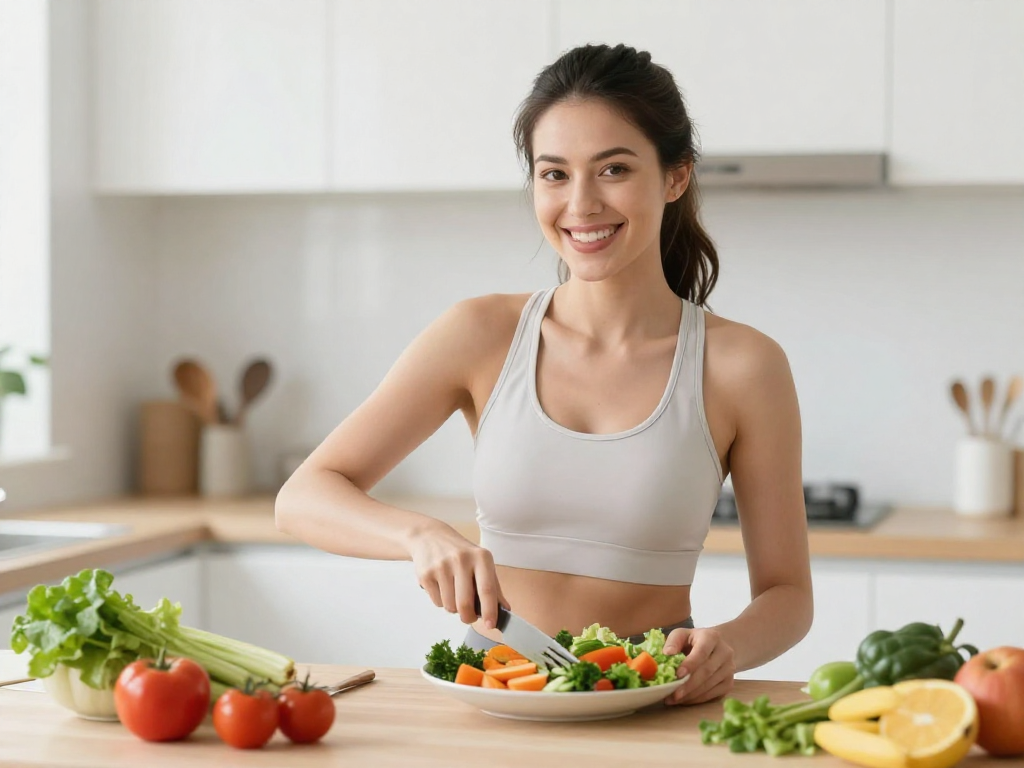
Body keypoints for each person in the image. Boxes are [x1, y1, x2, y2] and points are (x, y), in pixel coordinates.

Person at [276, 43, 812, 706]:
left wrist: (728, 646)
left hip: (650, 700)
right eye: (554, 174)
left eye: (613, 169)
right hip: (494, 693)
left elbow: (788, 596)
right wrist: (420, 535)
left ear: (675, 176)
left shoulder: (744, 366)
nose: (580, 204)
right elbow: (303, 497)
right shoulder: (480, 334)